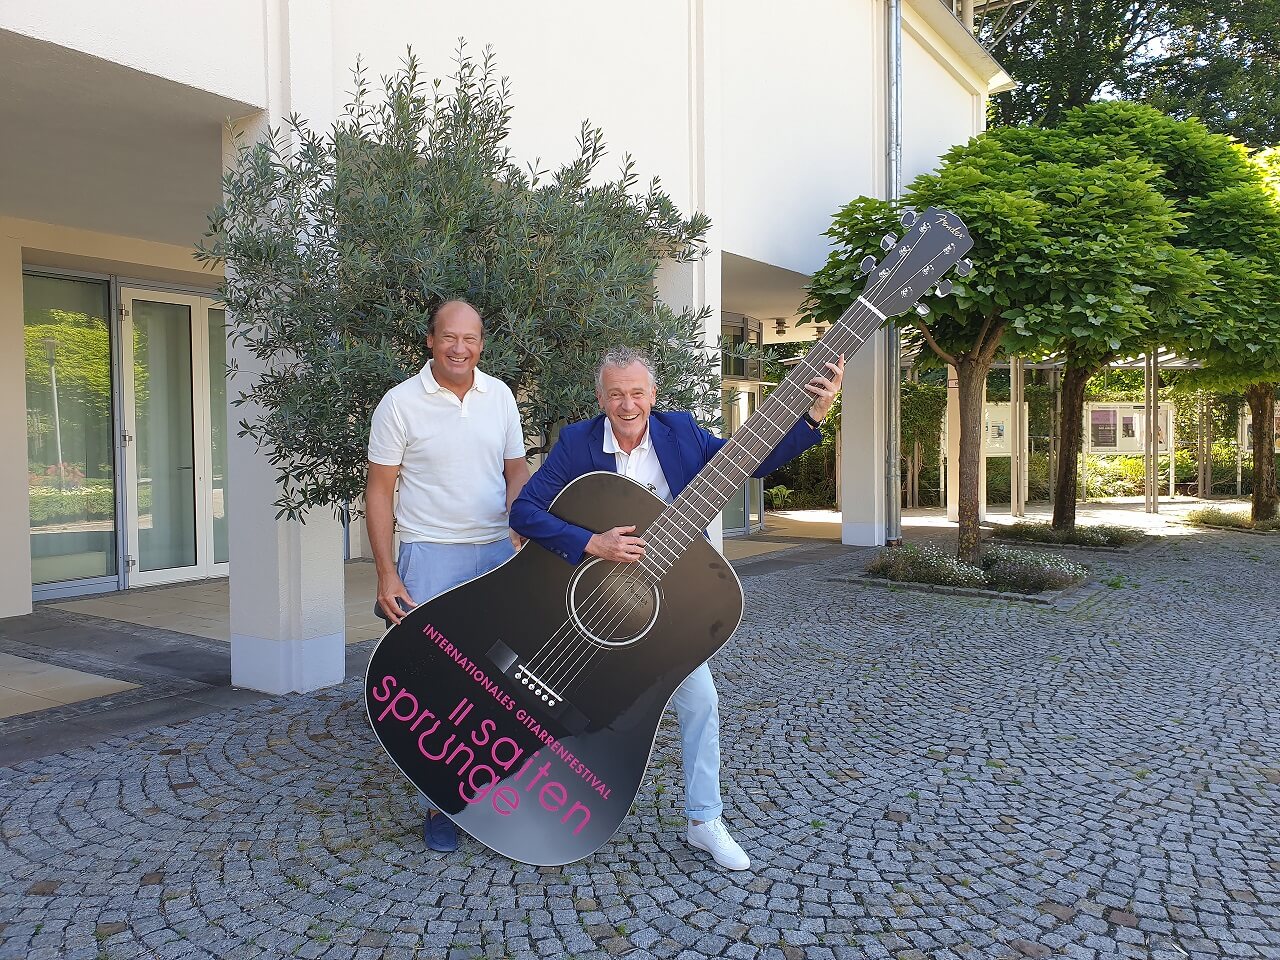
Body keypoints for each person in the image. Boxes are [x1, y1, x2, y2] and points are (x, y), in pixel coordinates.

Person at [510, 345, 844, 870]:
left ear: (653, 395)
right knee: (572, 697)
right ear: (600, 397)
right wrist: (592, 543)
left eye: (637, 393)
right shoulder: (578, 443)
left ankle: (703, 820)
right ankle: (534, 795)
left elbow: (750, 461)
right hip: (593, 598)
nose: (627, 405)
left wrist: (813, 416)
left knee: (701, 701)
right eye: (616, 394)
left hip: (666, 602)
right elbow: (525, 510)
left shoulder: (681, 433)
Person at [365, 299, 530, 853]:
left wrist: (521, 528)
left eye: (471, 339)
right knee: (438, 687)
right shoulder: (399, 404)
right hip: (430, 556)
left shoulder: (500, 395)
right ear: (430, 341)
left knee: (504, 683)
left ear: (482, 344)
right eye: (449, 337)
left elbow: (515, 470)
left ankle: (502, 794)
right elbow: (380, 491)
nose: (460, 348)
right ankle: (444, 804)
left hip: (496, 555)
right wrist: (387, 573)